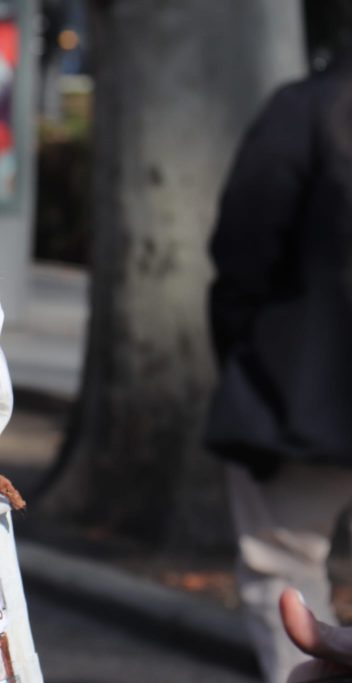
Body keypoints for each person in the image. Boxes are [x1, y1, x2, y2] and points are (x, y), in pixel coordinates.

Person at [205, 54, 352, 683]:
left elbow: (242, 253)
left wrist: (245, 357)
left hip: (300, 386)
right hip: (300, 387)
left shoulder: (308, 109)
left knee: (284, 570)